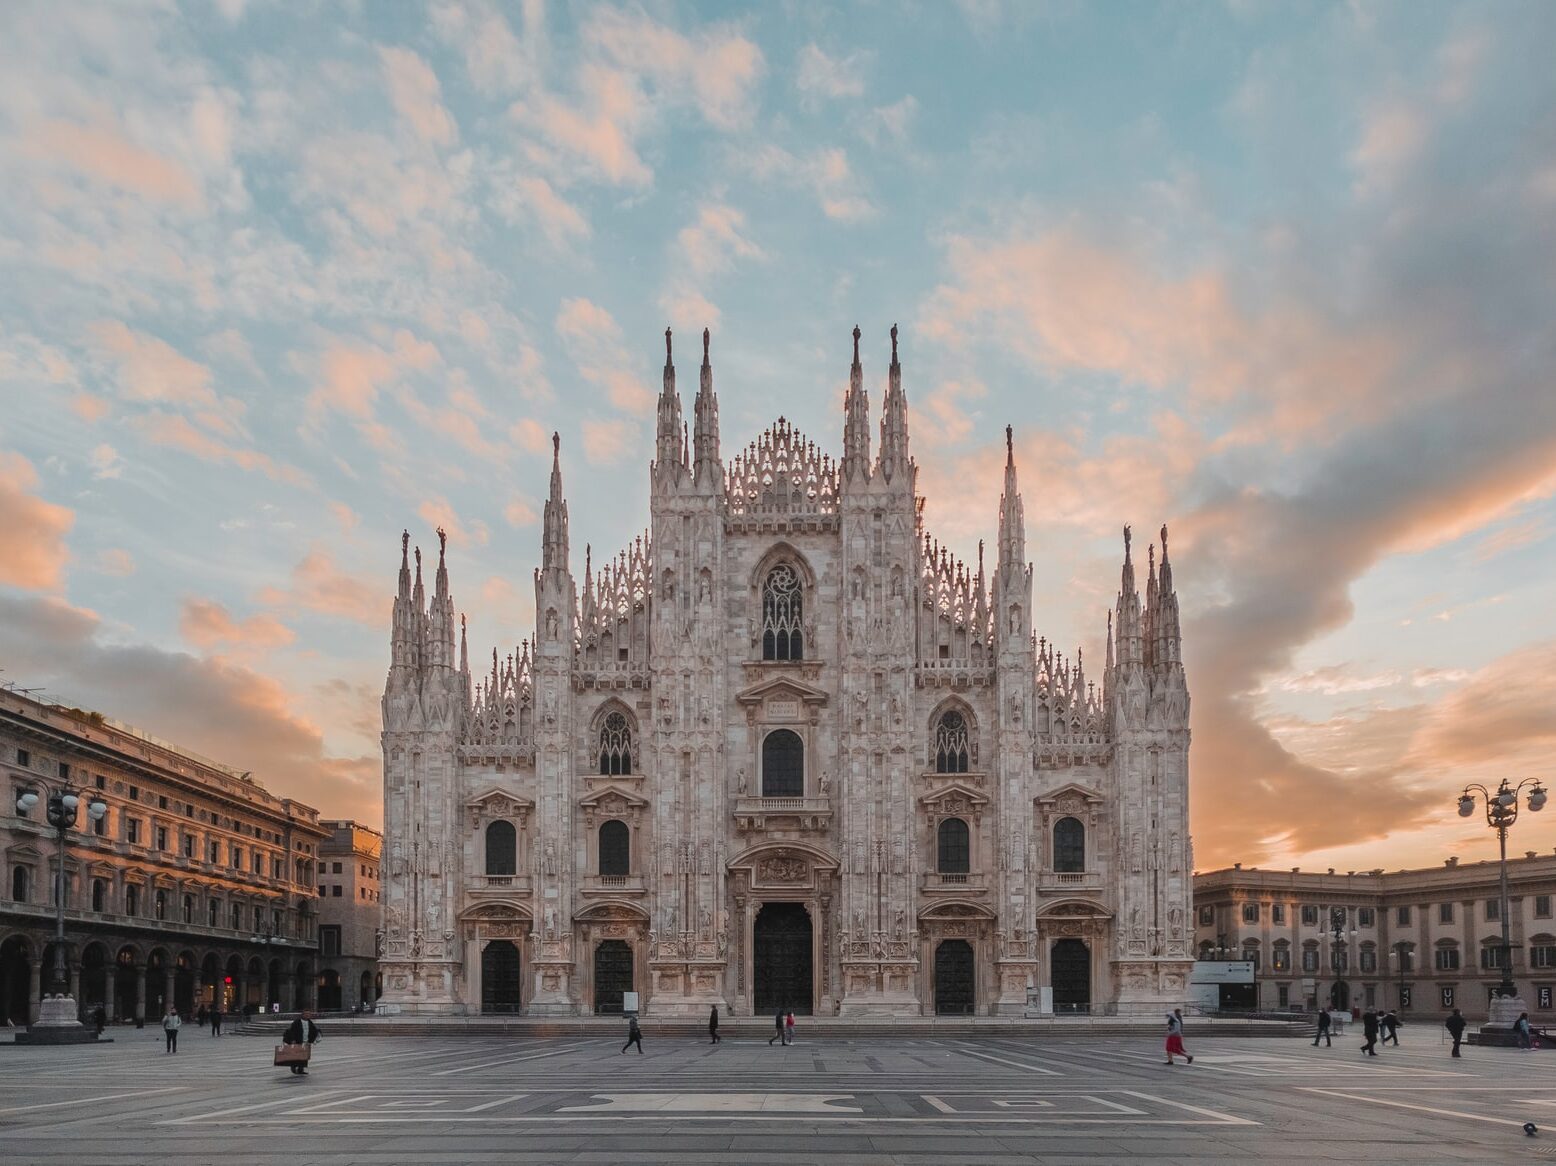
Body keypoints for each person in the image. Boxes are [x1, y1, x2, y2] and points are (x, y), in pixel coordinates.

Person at [281, 1010, 321, 1076]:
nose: (308, 1015)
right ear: (302, 1015)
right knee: (296, 1055)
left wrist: (314, 1038)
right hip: (298, 1041)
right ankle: (293, 1067)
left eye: (309, 1014)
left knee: (304, 1056)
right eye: (306, 1014)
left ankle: (301, 1069)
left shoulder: (309, 1022)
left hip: (306, 1041)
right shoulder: (297, 1022)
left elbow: (313, 1030)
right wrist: (293, 1039)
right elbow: (292, 1031)